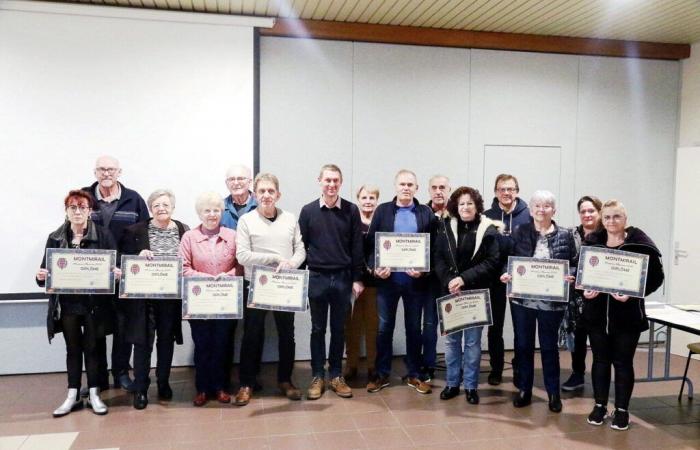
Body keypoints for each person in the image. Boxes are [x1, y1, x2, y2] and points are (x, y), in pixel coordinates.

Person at [36, 190, 120, 417]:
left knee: (93, 349)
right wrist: (41, 276)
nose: (78, 211)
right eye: (73, 207)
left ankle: (94, 393)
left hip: (94, 304)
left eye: (82, 207)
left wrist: (116, 273)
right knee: (73, 349)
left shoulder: (103, 235)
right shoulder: (55, 237)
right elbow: (44, 273)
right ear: (66, 211)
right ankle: (72, 394)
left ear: (90, 211)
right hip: (67, 305)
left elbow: (115, 267)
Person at [581, 200, 664, 431]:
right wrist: (585, 291)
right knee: (599, 361)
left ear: (625, 219)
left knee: (623, 362)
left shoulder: (641, 245)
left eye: (616, 217)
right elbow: (582, 273)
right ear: (602, 219)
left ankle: (622, 410)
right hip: (597, 315)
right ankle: (599, 406)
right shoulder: (592, 243)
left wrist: (634, 294)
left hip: (627, 317)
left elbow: (656, 278)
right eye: (607, 217)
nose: (611, 221)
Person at [499, 190, 576, 413]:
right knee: (523, 346)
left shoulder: (565, 235)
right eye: (537, 206)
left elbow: (574, 263)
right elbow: (508, 261)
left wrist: (570, 275)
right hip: (523, 301)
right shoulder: (520, 231)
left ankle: (553, 393)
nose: (541, 210)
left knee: (549, 347)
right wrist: (506, 274)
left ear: (554, 210)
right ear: (531, 210)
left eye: (546, 206)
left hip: (551, 303)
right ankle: (524, 390)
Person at [234, 173, 306, 406]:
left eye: (270, 191)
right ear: (255, 194)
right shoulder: (246, 220)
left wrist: (291, 263)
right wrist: (274, 258)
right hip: (256, 285)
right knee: (252, 334)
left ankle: (285, 380)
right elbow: (242, 255)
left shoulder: (290, 218)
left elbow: (300, 249)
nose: (266, 195)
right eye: (262, 191)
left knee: (287, 335)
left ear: (278, 194)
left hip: (285, 284)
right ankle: (247, 383)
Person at [83, 155, 149, 392]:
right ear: (95, 172)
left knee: (123, 328)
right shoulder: (83, 197)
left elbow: (145, 234)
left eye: (111, 169)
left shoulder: (134, 199)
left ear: (119, 172)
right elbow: (73, 229)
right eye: (101, 169)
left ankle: (121, 372)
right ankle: (97, 379)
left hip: (125, 278)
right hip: (92, 277)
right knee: (94, 329)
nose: (106, 173)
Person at [299, 164, 365, 400]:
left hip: (343, 279)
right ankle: (318, 375)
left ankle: (336, 375)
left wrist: (357, 278)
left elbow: (357, 246)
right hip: (316, 277)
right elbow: (301, 247)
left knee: (339, 329)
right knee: (318, 329)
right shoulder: (307, 211)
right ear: (319, 181)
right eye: (327, 180)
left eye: (335, 180)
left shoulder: (351, 210)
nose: (331, 184)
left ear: (341, 182)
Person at [366, 169, 435, 395]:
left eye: (410, 184)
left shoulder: (426, 213)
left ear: (417, 188)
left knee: (414, 329)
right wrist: (376, 269)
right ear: (395, 186)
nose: (406, 188)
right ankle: (382, 373)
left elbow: (434, 250)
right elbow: (370, 247)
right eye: (402, 184)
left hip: (415, 284)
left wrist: (424, 271)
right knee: (384, 328)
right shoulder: (383, 211)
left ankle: (414, 373)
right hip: (388, 283)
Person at [119, 189, 189, 409]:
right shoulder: (135, 231)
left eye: (166, 205)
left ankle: (163, 382)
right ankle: (141, 387)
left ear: (173, 207)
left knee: (166, 340)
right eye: (157, 205)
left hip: (170, 298)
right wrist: (136, 257)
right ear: (150, 208)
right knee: (143, 343)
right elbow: (120, 260)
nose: (161, 208)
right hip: (144, 299)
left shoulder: (183, 229)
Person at [434, 187, 501, 405]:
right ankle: (452, 383)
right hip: (451, 293)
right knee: (452, 342)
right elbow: (439, 258)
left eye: (470, 203)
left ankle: (471, 386)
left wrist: (464, 279)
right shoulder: (445, 227)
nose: (465, 207)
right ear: (456, 206)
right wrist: (450, 282)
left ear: (477, 206)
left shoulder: (488, 229)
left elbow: (491, 262)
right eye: (461, 204)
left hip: (475, 294)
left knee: (472, 343)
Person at [179, 192, 241, 407]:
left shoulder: (233, 235)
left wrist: (229, 276)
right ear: (199, 213)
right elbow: (183, 268)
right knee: (203, 344)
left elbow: (241, 265)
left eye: (216, 210)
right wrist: (208, 279)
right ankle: (203, 388)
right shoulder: (189, 237)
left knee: (223, 343)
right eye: (207, 210)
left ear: (222, 213)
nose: (212, 214)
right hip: (199, 301)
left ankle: (221, 387)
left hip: (226, 299)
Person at [483, 174, 530, 386]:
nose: (506, 193)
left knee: (522, 327)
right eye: (502, 189)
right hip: (494, 279)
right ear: (495, 192)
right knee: (495, 327)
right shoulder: (486, 216)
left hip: (522, 280)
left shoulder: (529, 215)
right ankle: (496, 368)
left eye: (510, 189)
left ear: (517, 191)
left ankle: (520, 368)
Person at [220, 164, 257, 392]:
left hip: (254, 279)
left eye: (241, 178)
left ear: (250, 181)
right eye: (232, 179)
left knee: (252, 332)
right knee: (226, 332)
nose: (236, 182)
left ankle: (249, 379)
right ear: (226, 183)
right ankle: (223, 381)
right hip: (227, 281)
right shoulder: (219, 208)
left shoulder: (262, 206)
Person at [560, 195, 603, 392]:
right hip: (575, 297)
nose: (587, 214)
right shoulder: (570, 234)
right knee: (577, 337)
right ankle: (578, 374)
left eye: (591, 210)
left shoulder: (607, 234)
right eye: (583, 211)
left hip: (600, 297)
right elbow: (562, 259)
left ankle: (600, 378)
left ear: (599, 211)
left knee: (598, 339)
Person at [344, 185, 380, 381]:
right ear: (358, 199)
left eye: (372, 198)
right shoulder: (351, 221)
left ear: (376, 200)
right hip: (353, 282)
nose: (368, 201)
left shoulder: (381, 222)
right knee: (352, 326)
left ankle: (373, 365)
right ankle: (351, 365)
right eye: (364, 197)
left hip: (375, 282)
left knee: (373, 326)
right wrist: (354, 278)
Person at [422, 175, 452, 382]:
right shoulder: (421, 213)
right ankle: (429, 365)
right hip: (428, 278)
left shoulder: (459, 213)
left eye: (442, 187)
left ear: (449, 189)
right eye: (434, 187)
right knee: (430, 323)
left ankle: (454, 366)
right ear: (429, 190)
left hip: (451, 278)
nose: (438, 191)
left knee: (453, 323)